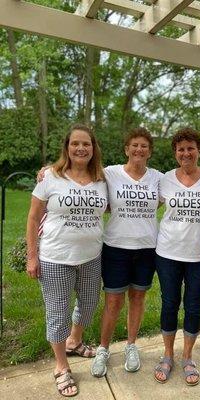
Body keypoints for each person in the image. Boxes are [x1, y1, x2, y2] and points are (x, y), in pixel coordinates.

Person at [26, 124, 107, 397]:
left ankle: (75, 341)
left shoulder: (102, 179)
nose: (81, 148)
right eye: (75, 144)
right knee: (58, 312)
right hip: (55, 258)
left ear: (93, 148)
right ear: (67, 147)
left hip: (91, 257)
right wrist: (32, 256)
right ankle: (61, 366)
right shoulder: (50, 176)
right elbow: (33, 218)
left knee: (88, 304)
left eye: (86, 144)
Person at [91, 127, 162, 377]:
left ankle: (132, 345)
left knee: (138, 298)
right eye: (134, 145)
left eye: (144, 146)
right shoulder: (111, 173)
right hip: (115, 248)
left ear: (150, 152)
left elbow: (187, 186)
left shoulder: (158, 178)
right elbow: (79, 172)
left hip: (146, 249)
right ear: (126, 149)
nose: (139, 150)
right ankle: (103, 349)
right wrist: (48, 170)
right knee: (113, 300)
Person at [154, 128, 200, 385]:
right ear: (175, 153)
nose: (186, 153)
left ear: (199, 151)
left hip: (197, 257)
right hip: (168, 253)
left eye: (190, 148)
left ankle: (188, 357)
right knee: (169, 303)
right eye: (181, 149)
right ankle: (168, 355)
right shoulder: (165, 179)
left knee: (193, 306)